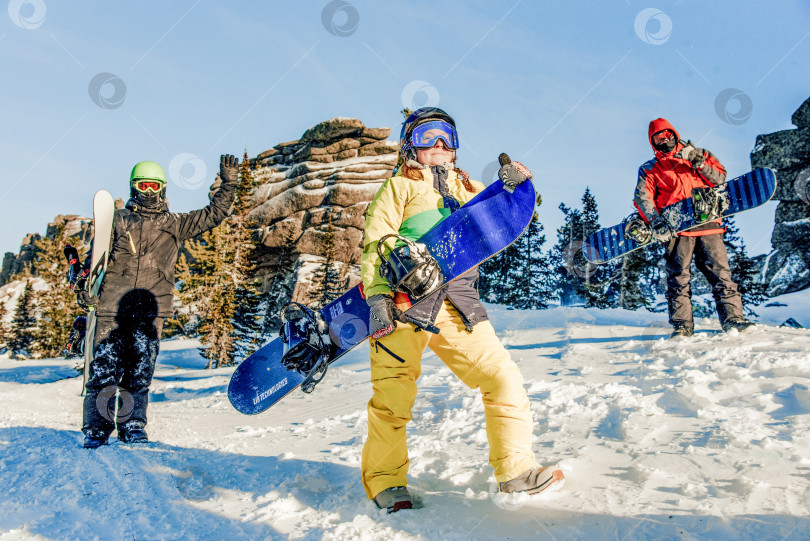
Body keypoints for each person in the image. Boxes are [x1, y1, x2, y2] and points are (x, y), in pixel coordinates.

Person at [360, 107, 564, 512]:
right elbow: (376, 241)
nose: (437, 145)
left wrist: (517, 189)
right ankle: (386, 482)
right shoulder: (398, 187)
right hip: (402, 302)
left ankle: (516, 472)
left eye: (445, 137)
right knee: (393, 397)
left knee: (502, 378)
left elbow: (501, 218)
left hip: (457, 301)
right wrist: (378, 298)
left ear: (454, 146)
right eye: (426, 137)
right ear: (408, 147)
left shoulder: (469, 188)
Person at [78, 156, 239, 448]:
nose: (148, 192)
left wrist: (229, 184)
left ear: (162, 189)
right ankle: (97, 429)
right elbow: (95, 260)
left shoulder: (175, 225)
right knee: (104, 371)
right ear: (133, 188)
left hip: (150, 311)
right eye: (143, 185)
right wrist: (87, 286)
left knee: (138, 373)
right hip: (111, 308)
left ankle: (132, 427)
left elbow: (215, 213)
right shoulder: (117, 220)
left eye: (154, 186)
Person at [634, 118, 754, 338]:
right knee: (678, 278)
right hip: (677, 229)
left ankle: (734, 320)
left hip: (708, 224)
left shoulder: (698, 153)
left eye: (667, 134)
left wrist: (698, 162)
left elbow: (719, 179)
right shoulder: (650, 168)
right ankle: (682, 327)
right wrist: (654, 220)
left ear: (674, 133)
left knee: (721, 275)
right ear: (652, 142)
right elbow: (643, 197)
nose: (664, 140)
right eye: (658, 138)